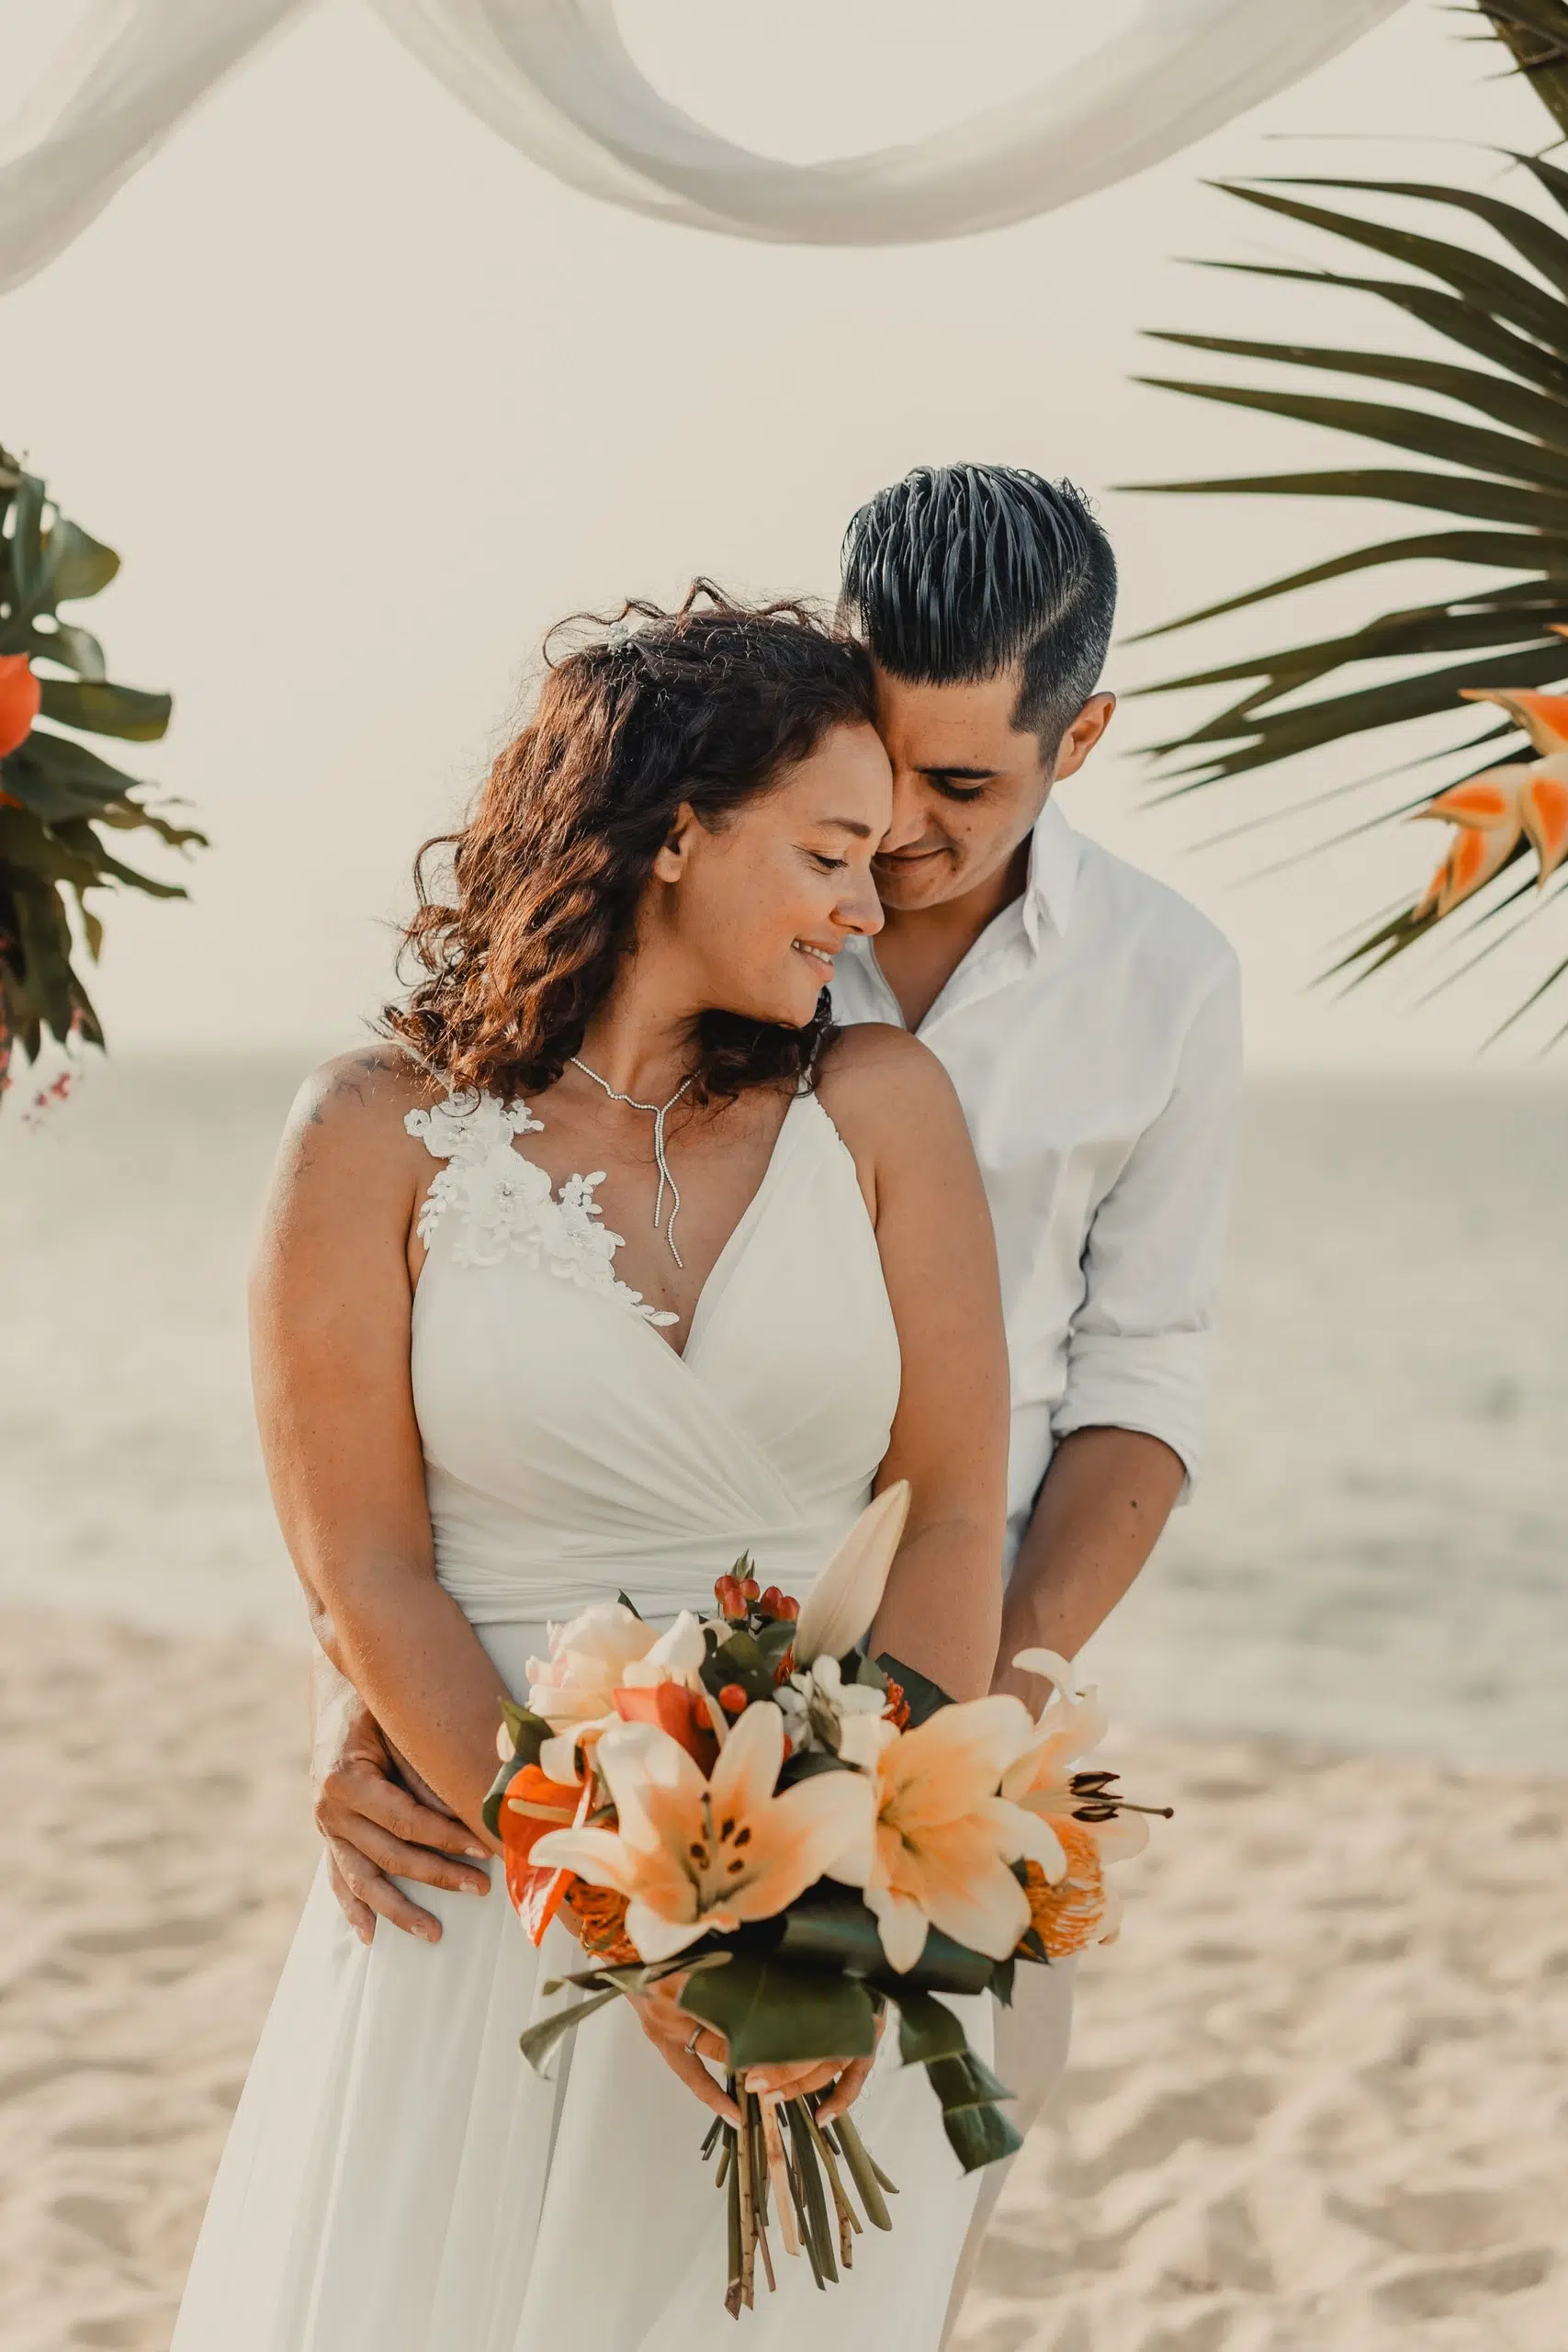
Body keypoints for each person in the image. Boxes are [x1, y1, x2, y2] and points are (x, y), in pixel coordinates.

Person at [312, 469, 1244, 2341]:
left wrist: (940, 1746)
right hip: (552, 1733)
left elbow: (1136, 1387)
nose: (888, 847)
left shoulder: (1161, 983)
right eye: (861, 784)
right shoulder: (701, 937)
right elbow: (437, 1395)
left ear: (1080, 742)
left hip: (945, 1693)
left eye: (955, 789)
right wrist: (381, 1685)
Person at [171, 590, 1015, 2352]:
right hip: (493, 1888)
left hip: (825, 1907)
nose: (867, 909)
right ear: (675, 834)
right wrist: (626, 1925)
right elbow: (364, 1570)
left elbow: (947, 1510)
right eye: (828, 854)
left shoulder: (882, 1106)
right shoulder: (370, 1135)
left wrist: (854, 1884)